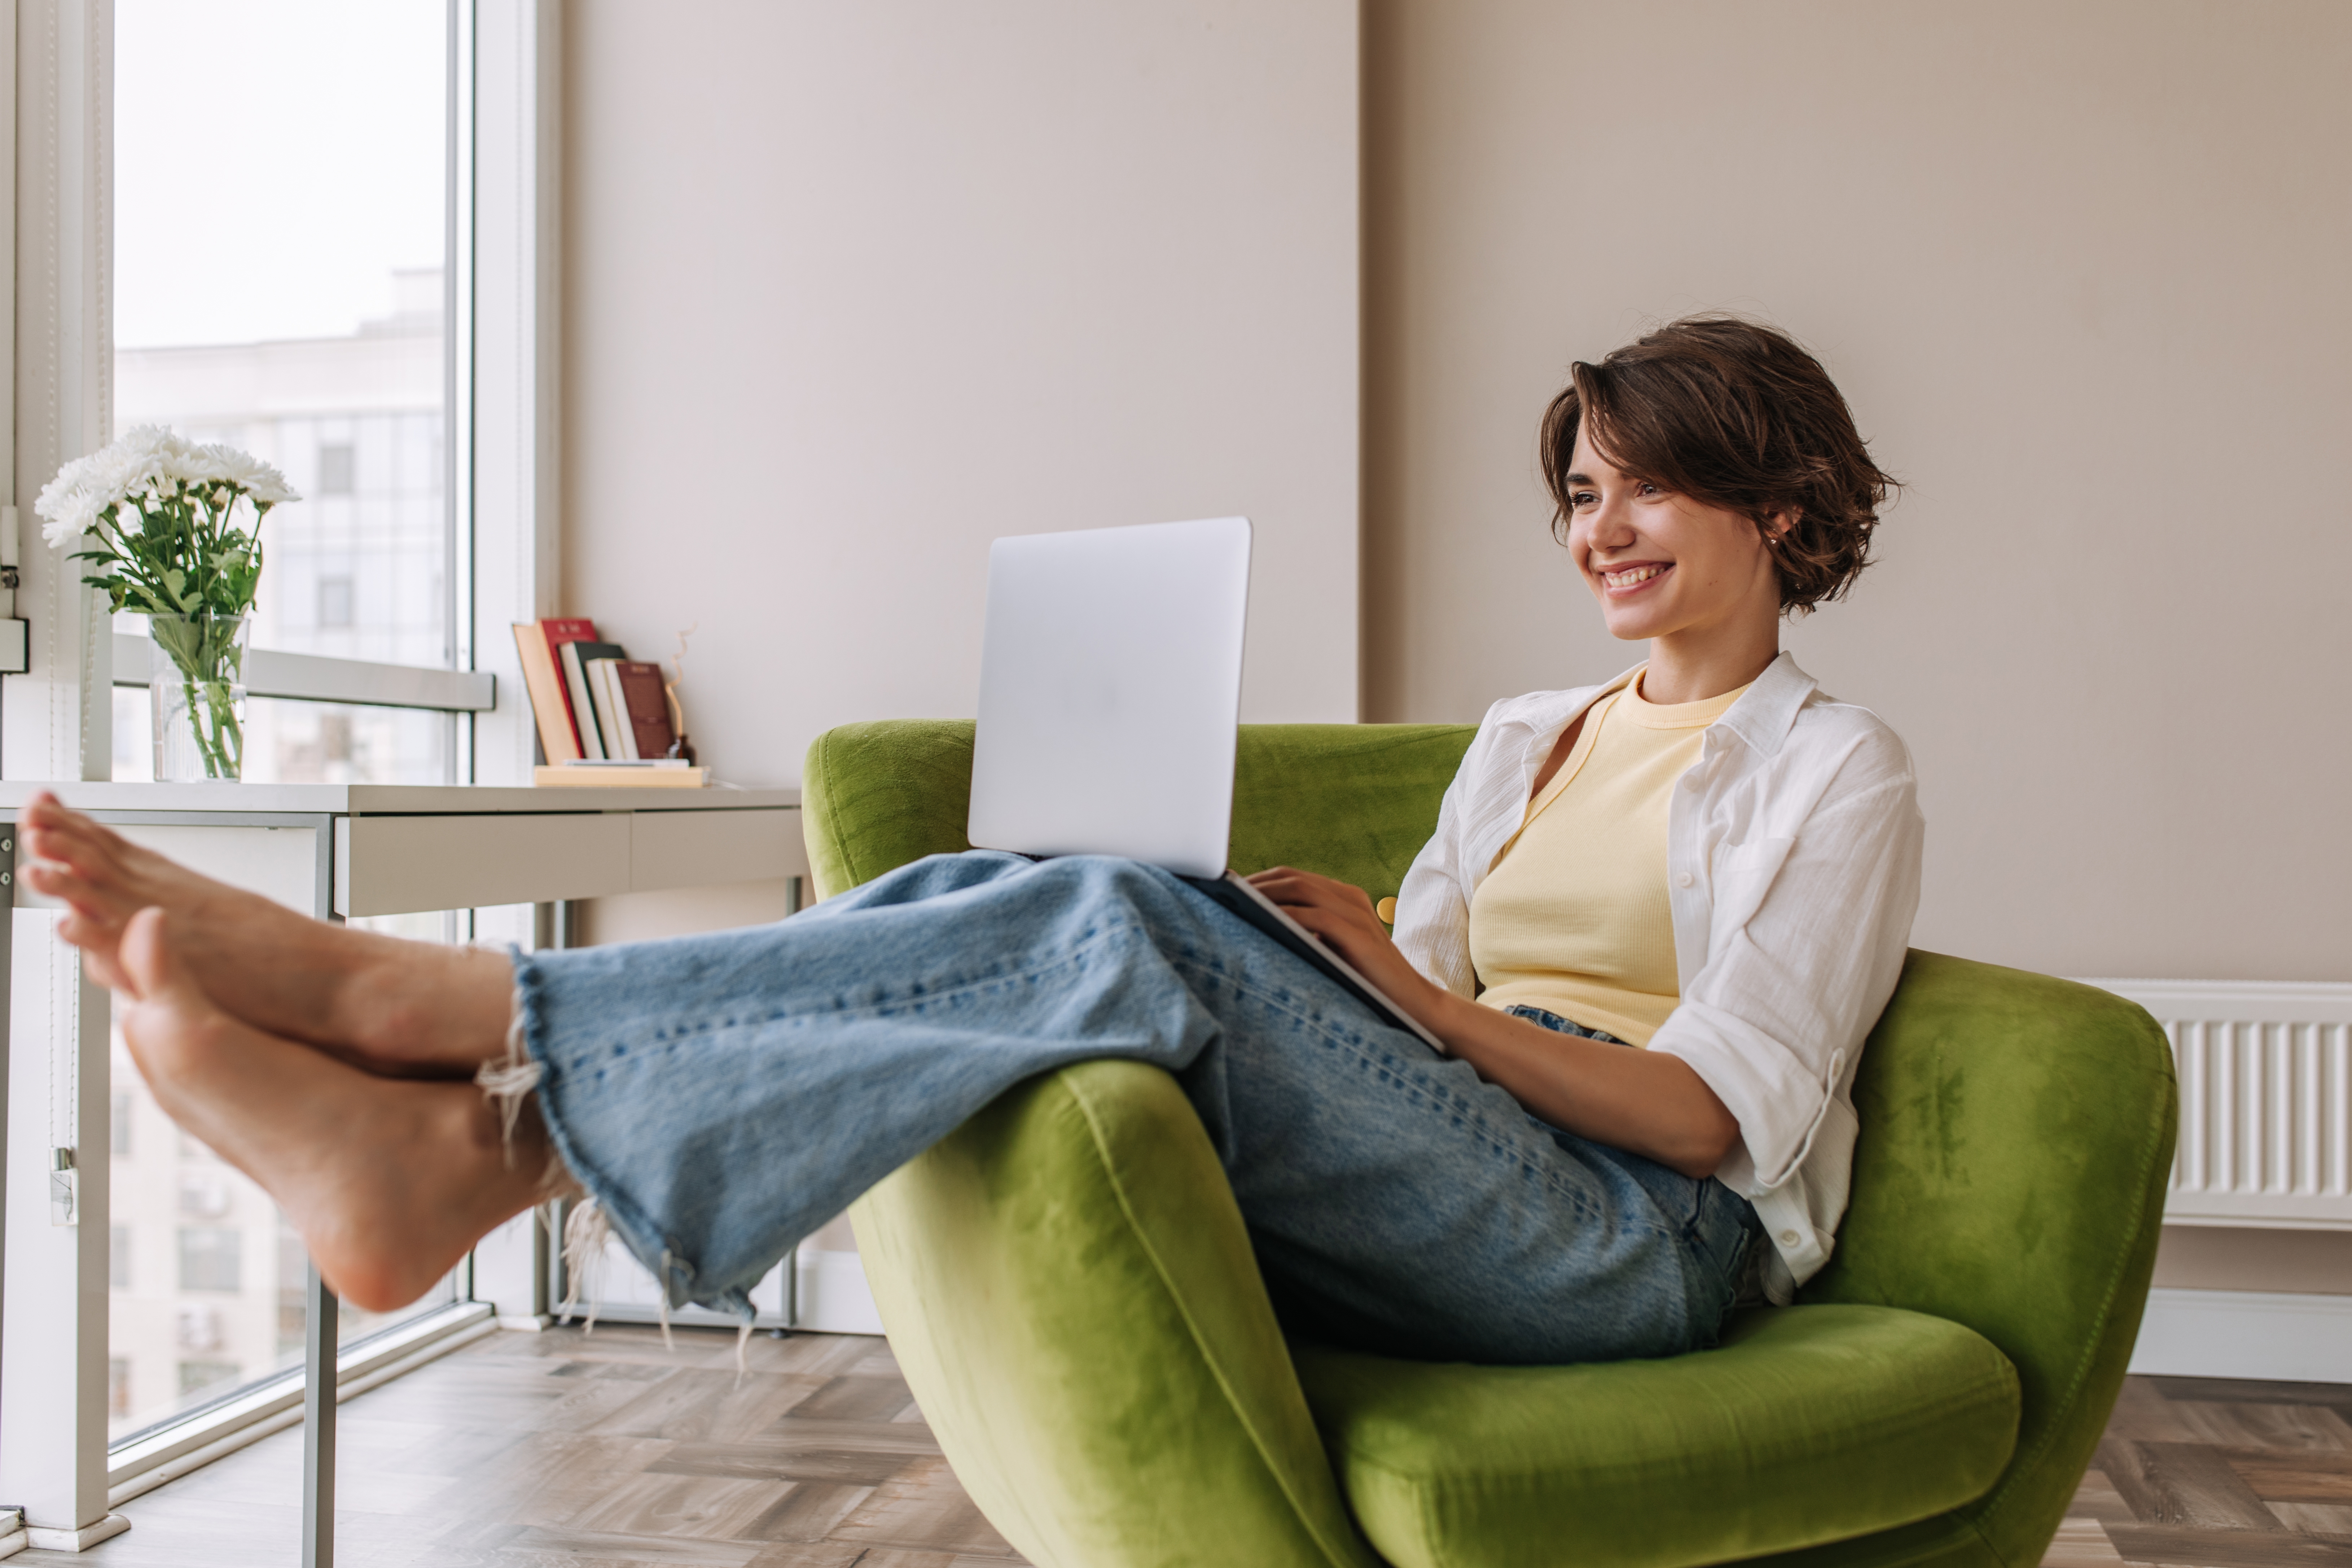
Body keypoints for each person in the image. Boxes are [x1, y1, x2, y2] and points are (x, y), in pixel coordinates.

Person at [23, 315, 1919, 1368]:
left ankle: (441, 1025)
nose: (1597, 525)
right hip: (1463, 1142)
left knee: (1117, 920)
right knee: (1033, 885)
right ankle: (481, 1145)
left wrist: (1410, 997)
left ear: (1779, 497)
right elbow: (1422, 1008)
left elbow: (1709, 1124)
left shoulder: (1838, 775)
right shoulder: (1528, 737)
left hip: (1628, 1243)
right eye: (1579, 491)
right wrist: (1367, 986)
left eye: (1645, 481)